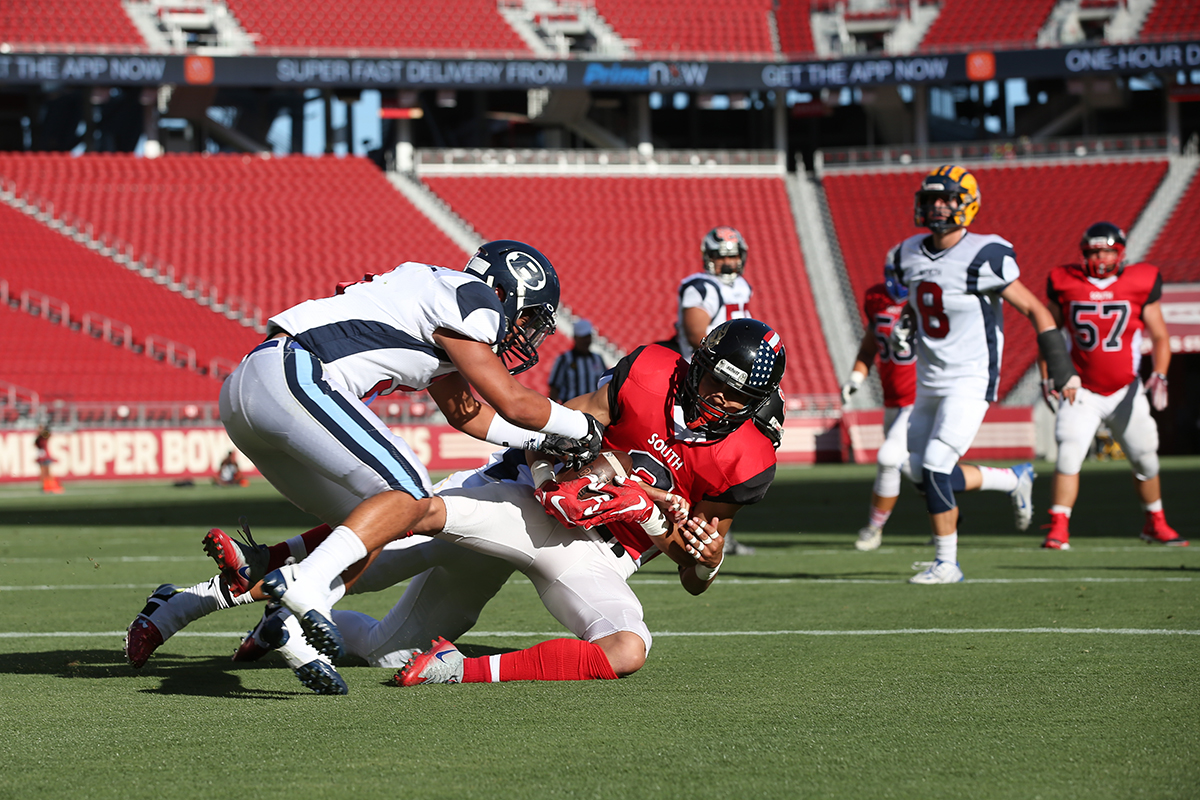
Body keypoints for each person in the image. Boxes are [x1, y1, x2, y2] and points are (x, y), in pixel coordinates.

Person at [125, 319, 784, 691]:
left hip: (600, 558)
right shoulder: (649, 370)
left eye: (734, 400)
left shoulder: (748, 456)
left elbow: (694, 570)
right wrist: (563, 471)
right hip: (524, 502)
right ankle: (215, 586)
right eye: (713, 386)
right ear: (697, 363)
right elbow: (555, 427)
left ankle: (454, 668)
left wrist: (703, 553)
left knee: (626, 648)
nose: (716, 405)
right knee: (404, 519)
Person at [209, 239, 603, 661]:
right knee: (411, 492)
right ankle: (306, 589)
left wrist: (544, 440)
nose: (524, 333)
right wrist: (584, 426)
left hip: (252, 389)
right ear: (504, 293)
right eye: (527, 319)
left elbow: (467, 414)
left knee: (377, 523)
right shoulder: (474, 298)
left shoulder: (431, 301)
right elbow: (514, 401)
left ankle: (263, 622)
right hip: (294, 372)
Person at [890, 165, 1079, 584]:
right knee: (920, 472)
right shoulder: (907, 253)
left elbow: (1036, 310)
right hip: (929, 379)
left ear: (967, 204)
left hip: (970, 378)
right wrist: (906, 322)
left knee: (938, 465)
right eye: (932, 199)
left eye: (948, 199)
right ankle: (1013, 478)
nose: (937, 206)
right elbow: (924, 301)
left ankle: (947, 563)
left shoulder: (984, 253)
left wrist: (1062, 369)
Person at [841, 264, 1036, 552]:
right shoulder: (876, 298)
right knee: (923, 473)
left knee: (889, 458)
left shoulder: (933, 297)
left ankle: (873, 528)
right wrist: (856, 376)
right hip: (893, 401)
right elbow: (871, 345)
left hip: (923, 398)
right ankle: (1009, 479)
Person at [1038, 222, 1187, 549]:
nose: (1101, 257)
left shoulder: (1140, 280)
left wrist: (1159, 373)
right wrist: (1048, 375)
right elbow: (1048, 334)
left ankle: (1155, 522)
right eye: (1094, 250)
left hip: (1125, 388)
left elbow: (1160, 335)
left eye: (1106, 250)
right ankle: (1058, 527)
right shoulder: (1064, 281)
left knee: (1146, 457)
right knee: (1069, 451)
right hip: (1079, 388)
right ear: (1084, 252)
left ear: (1120, 252)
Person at [666, 226, 753, 362]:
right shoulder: (702, 288)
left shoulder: (741, 285)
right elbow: (696, 336)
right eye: (720, 257)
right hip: (705, 364)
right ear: (709, 257)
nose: (727, 263)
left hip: (735, 360)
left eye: (732, 256)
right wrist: (726, 357)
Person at [547, 319, 607, 402]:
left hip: (593, 409)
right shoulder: (564, 359)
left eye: (588, 337)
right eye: (583, 338)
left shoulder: (597, 359)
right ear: (575, 338)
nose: (586, 341)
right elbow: (555, 387)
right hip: (571, 409)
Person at [34, 427, 62, 494]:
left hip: (45, 457)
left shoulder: (44, 436)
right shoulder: (39, 438)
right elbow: (36, 444)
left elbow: (47, 434)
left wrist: (42, 431)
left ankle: (52, 486)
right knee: (43, 473)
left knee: (48, 473)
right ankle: (45, 487)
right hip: (41, 457)